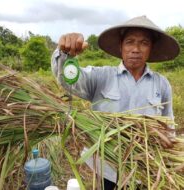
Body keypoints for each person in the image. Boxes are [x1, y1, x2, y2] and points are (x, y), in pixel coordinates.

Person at [51, 15, 180, 189]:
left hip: (146, 169)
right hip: (108, 169)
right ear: (121, 47)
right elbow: (68, 81)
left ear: (151, 48)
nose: (136, 49)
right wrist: (66, 53)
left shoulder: (162, 84)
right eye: (130, 42)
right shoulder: (100, 76)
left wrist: (172, 153)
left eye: (144, 43)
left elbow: (168, 124)